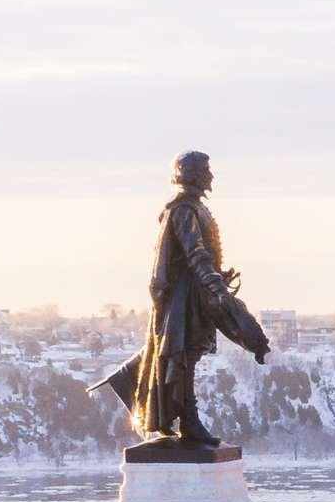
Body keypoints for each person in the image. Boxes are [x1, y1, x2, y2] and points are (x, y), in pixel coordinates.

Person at [93, 151, 270, 446]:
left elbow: (200, 257)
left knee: (186, 357)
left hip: (191, 294)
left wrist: (216, 279)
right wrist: (218, 288)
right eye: (206, 170)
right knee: (182, 356)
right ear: (194, 174)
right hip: (183, 299)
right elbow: (196, 255)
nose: (211, 176)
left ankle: (183, 418)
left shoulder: (191, 208)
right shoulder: (183, 211)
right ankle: (188, 420)